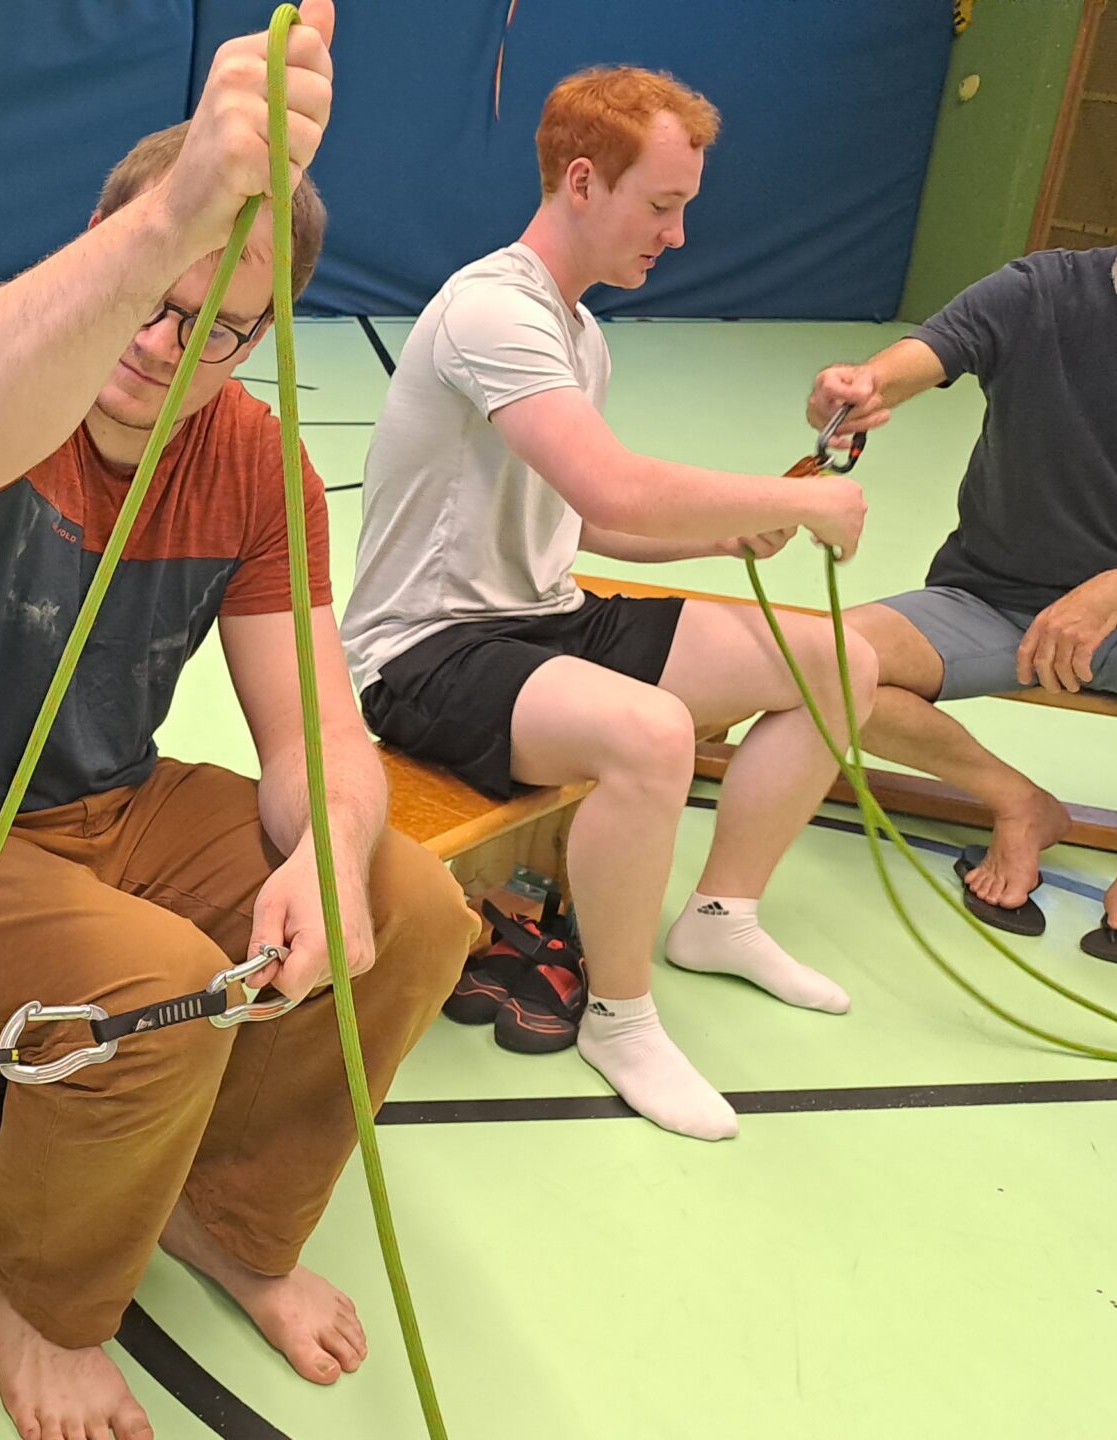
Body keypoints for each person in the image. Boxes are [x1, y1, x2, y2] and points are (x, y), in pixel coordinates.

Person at [0, 8, 475, 1438]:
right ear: (105, 252)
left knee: (411, 905)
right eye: (150, 290)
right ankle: (36, 1297)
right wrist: (176, 213)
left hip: (104, 813)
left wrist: (329, 851)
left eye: (219, 326)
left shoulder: (255, 462)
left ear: (264, 340)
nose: (162, 342)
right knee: (150, 991)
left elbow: (313, 736)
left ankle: (228, 1216)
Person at [340, 67, 876, 1143]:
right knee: (650, 732)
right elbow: (614, 487)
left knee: (840, 662)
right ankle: (620, 1018)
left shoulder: (579, 332)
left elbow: (582, 520)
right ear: (581, 181)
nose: (676, 236)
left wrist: (725, 534)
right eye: (662, 206)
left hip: (543, 616)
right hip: (424, 654)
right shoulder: (494, 310)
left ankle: (720, 915)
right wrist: (792, 501)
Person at [812, 126, 1117, 951]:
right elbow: (923, 354)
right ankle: (1016, 801)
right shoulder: (1040, 289)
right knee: (817, 661)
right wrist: (860, 387)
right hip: (989, 600)